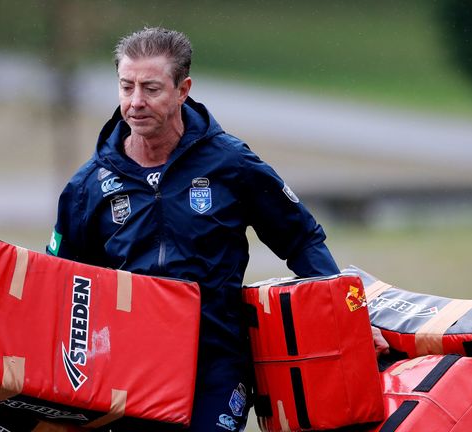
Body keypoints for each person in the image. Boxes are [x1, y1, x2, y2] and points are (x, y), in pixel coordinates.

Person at [47, 27, 388, 432]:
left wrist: (349, 323)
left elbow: (301, 240)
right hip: (127, 367)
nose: (135, 102)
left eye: (151, 88)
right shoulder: (89, 185)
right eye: (126, 87)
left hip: (216, 362)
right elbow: (61, 282)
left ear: (182, 89)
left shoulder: (231, 163)